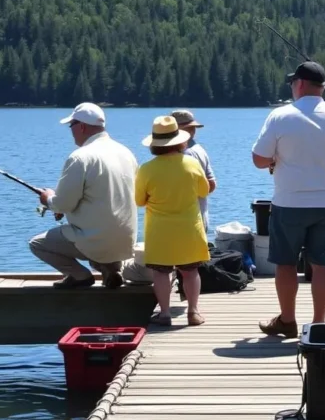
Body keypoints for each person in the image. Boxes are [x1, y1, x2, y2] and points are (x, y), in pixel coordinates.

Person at [251, 60, 325, 338]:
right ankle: (319, 323)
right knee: (322, 262)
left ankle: (287, 321)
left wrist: (276, 158)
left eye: (292, 82)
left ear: (300, 84)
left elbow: (259, 159)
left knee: (286, 263)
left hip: (290, 203)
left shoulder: (280, 116)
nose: (292, 87)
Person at [30, 103, 138, 289]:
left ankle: (79, 276)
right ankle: (112, 270)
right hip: (125, 241)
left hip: (97, 241)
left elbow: (62, 203)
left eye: (71, 126)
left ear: (81, 126)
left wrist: (47, 198)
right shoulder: (126, 153)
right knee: (97, 235)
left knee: (37, 244)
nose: (71, 131)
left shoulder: (80, 157)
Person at [135, 115, 211, 327]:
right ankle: (193, 312)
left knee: (161, 273)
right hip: (189, 228)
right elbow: (204, 190)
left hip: (160, 230)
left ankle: (165, 313)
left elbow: (139, 200)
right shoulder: (192, 164)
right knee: (190, 272)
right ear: (180, 140)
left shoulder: (146, 169)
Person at [171, 109, 216, 233]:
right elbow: (211, 185)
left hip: (187, 222)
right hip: (200, 217)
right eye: (191, 128)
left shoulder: (185, 154)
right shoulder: (199, 149)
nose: (193, 131)